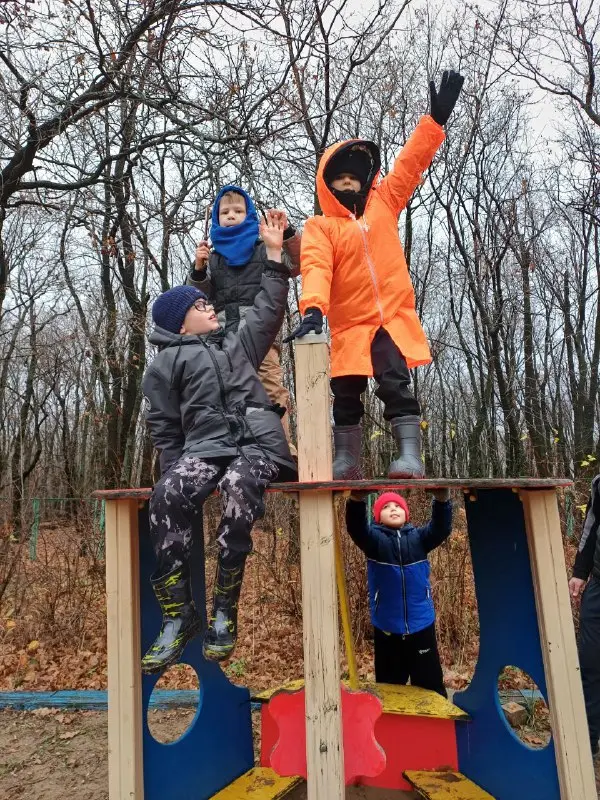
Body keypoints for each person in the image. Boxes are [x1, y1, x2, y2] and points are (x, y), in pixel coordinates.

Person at [286, 71, 464, 479]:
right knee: (345, 391)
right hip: (350, 324)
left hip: (390, 320)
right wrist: (313, 309)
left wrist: (434, 122)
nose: (348, 185)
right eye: (339, 180)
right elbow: (315, 267)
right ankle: (346, 459)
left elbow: (409, 165)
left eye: (354, 179)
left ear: (365, 182)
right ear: (327, 187)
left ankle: (410, 456)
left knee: (394, 382)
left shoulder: (384, 203)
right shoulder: (321, 227)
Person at [141, 211, 296, 674]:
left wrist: (273, 255)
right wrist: (173, 470)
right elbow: (165, 426)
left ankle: (224, 609)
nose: (210, 308)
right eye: (199, 306)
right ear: (180, 323)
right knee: (166, 494)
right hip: (204, 449)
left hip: (253, 446)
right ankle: (179, 614)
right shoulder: (164, 365)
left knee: (237, 488)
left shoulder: (237, 344)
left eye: (208, 304)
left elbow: (267, 310)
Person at [189, 186, 301, 455]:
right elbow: (197, 301)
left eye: (238, 211)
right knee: (224, 396)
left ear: (249, 214)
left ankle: (282, 447)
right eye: (224, 212)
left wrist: (286, 235)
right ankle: (233, 449)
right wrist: (199, 270)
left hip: (261, 335)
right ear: (216, 218)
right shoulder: (212, 257)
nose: (231, 216)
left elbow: (296, 265)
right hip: (223, 340)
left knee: (270, 390)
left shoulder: (263, 247)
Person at [345, 489, 452, 695]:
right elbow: (357, 529)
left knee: (430, 685)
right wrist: (357, 500)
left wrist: (441, 500)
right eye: (385, 507)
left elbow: (441, 529)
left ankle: (435, 725)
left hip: (421, 624)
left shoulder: (419, 538)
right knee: (390, 689)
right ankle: (390, 725)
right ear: (378, 518)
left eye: (397, 506)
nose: (392, 509)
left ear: (406, 513)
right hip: (388, 628)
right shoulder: (375, 541)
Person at [569, 474, 600, 758]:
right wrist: (580, 573)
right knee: (590, 664)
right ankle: (587, 745)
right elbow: (591, 529)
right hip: (598, 588)